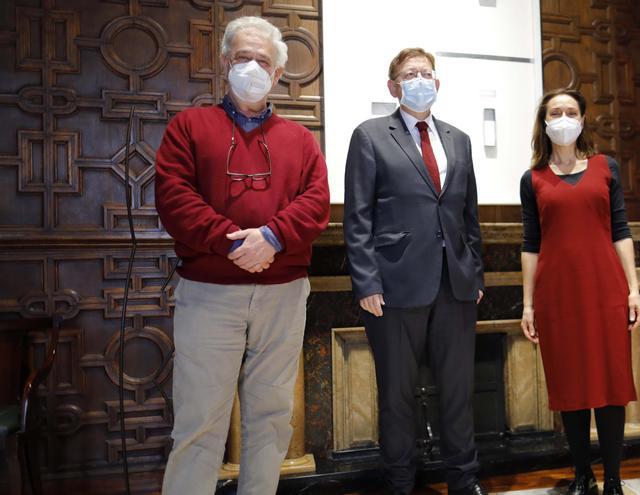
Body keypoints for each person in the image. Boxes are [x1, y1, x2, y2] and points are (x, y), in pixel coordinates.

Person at [154, 16, 330, 495]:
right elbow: (174, 197)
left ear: (276, 76)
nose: (252, 67)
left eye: (263, 62)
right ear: (225, 64)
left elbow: (316, 202)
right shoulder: (188, 127)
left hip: (283, 294)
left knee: (271, 419)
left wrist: (271, 237)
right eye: (243, 58)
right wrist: (235, 242)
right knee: (199, 421)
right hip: (209, 293)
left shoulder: (300, 140)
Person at [343, 47, 485, 495]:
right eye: (410, 74)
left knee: (459, 393)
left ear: (437, 83)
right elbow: (357, 217)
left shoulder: (458, 139)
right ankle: (400, 485)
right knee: (398, 397)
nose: (420, 79)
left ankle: (465, 482)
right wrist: (366, 281)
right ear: (393, 86)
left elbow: (468, 215)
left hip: (455, 286)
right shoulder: (369, 136)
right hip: (393, 286)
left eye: (426, 73)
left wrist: (475, 273)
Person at [519, 88, 640, 495]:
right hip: (556, 296)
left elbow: (621, 231)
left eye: (571, 111)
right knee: (570, 387)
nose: (564, 118)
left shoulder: (607, 168)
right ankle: (582, 475)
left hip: (605, 289)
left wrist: (633, 290)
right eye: (555, 112)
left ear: (583, 119)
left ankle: (612, 479)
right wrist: (528, 305)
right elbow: (531, 243)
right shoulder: (532, 179)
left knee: (610, 384)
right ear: (544, 120)